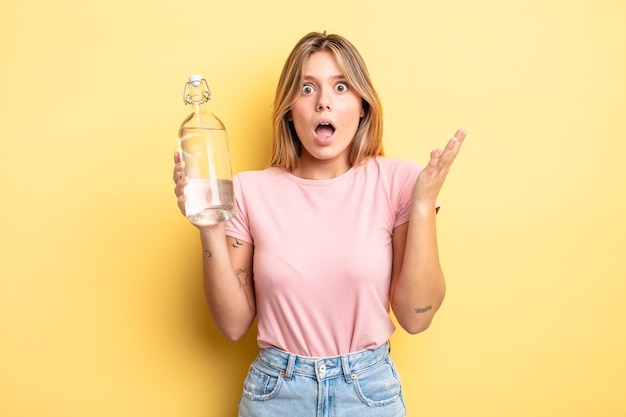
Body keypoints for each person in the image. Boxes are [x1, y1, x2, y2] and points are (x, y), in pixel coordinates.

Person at [173, 31, 466, 417]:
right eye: (307, 88)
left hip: (368, 394)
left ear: (363, 106)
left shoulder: (398, 182)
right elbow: (232, 325)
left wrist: (424, 205)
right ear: (289, 110)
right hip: (276, 395)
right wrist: (209, 227)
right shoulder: (248, 191)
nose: (323, 102)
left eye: (341, 87)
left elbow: (417, 316)